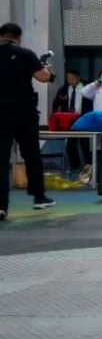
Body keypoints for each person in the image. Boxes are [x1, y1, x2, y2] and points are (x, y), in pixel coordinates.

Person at [0, 22, 57, 219]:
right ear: (19, 37)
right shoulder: (25, 54)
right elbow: (43, 77)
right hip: (24, 113)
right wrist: (48, 71)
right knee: (32, 155)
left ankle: (1, 206)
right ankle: (39, 198)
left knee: (1, 160)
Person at [53, 68, 92, 169]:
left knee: (85, 144)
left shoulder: (87, 86)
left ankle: (89, 167)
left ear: (78, 77)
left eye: (72, 78)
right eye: (68, 78)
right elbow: (56, 103)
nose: (70, 80)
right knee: (71, 144)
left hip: (84, 118)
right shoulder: (64, 89)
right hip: (69, 119)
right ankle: (75, 166)